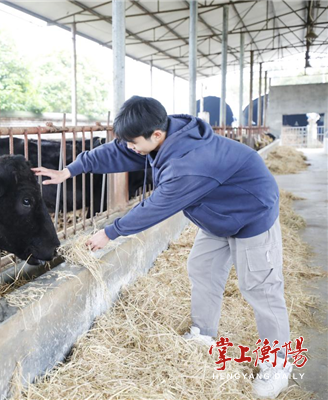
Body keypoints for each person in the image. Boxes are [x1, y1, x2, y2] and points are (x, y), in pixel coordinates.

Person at [33, 96, 291, 399]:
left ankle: (278, 364)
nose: (129, 147)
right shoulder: (163, 135)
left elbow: (155, 207)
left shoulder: (188, 164)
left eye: (133, 142)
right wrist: (70, 170)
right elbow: (116, 151)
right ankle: (203, 334)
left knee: (260, 286)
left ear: (156, 135)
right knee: (202, 269)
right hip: (216, 212)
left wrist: (110, 233)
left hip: (251, 212)